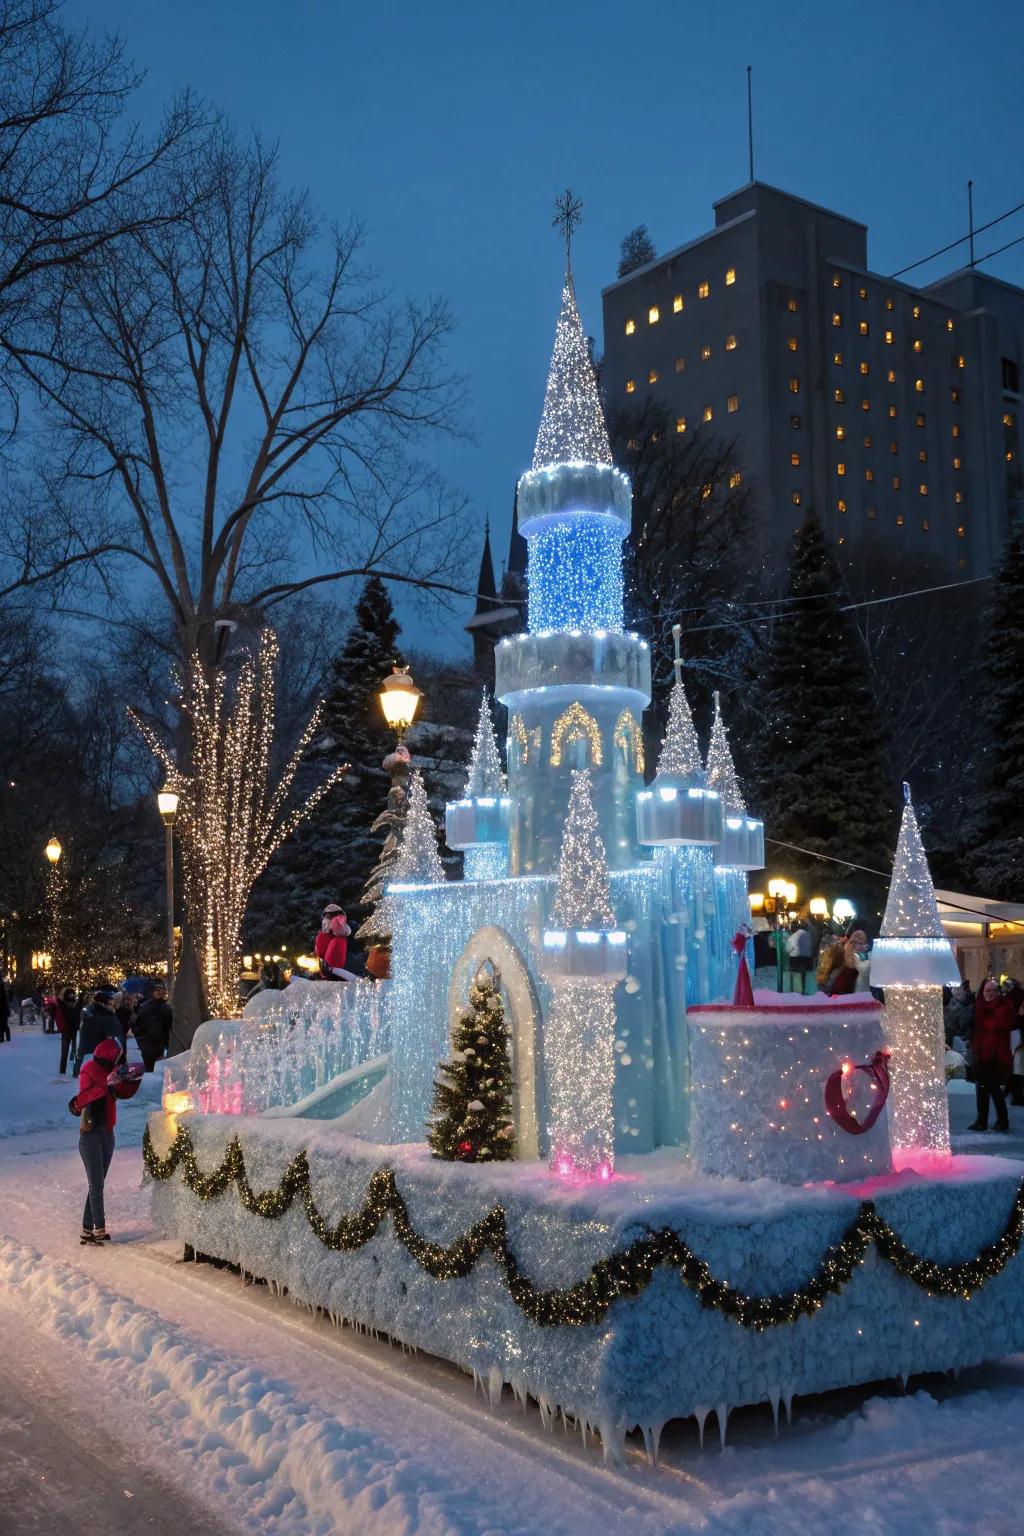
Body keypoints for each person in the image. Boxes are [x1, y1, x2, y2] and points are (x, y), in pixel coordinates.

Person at [967, 978, 1015, 1133]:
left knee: (993, 1089)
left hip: (996, 1056)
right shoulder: (980, 1007)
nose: (987, 994)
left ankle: (1002, 1121)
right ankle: (982, 1121)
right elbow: (979, 1030)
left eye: (991, 991)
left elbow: (998, 1026)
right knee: (982, 1089)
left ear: (997, 992)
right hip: (982, 1054)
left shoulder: (1004, 1007)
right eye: (985, 990)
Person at [75, 986, 122, 1072]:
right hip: (89, 1038)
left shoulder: (102, 1009)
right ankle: (77, 1071)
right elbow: (86, 1013)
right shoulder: (92, 1009)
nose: (112, 1002)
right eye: (111, 999)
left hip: (95, 1038)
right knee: (83, 1053)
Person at [133, 983, 172, 1072]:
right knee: (153, 1069)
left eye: (162, 990)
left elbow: (168, 1026)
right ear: (153, 992)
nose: (160, 992)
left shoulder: (164, 1007)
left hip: (156, 1044)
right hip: (150, 1044)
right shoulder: (146, 1006)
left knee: (156, 1069)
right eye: (157, 990)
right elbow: (138, 1025)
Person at [315, 904, 352, 980]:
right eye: (325, 918)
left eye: (328, 918)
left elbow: (334, 963)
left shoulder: (338, 940)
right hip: (328, 974)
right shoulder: (325, 936)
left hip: (337, 976)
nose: (324, 921)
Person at [55, 986, 81, 1075]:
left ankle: (75, 1072)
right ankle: (62, 1071)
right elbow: (58, 1000)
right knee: (64, 1052)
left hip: (74, 1030)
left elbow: (78, 1014)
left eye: (72, 994)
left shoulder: (76, 1003)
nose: (71, 995)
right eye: (69, 994)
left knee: (75, 1052)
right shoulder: (62, 1004)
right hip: (66, 1031)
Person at [785, 921, 813, 994]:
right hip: (808, 960)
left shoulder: (793, 937)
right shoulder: (809, 935)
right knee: (804, 976)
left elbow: (788, 949)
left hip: (796, 961)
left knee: (796, 977)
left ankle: (797, 993)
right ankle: (804, 990)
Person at [0, 971, 9, 1043]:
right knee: (3, 1023)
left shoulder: (2, 985)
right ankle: (4, 1037)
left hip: (3, 1007)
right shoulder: (2, 984)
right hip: (4, 1007)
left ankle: (3, 1037)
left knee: (3, 1023)